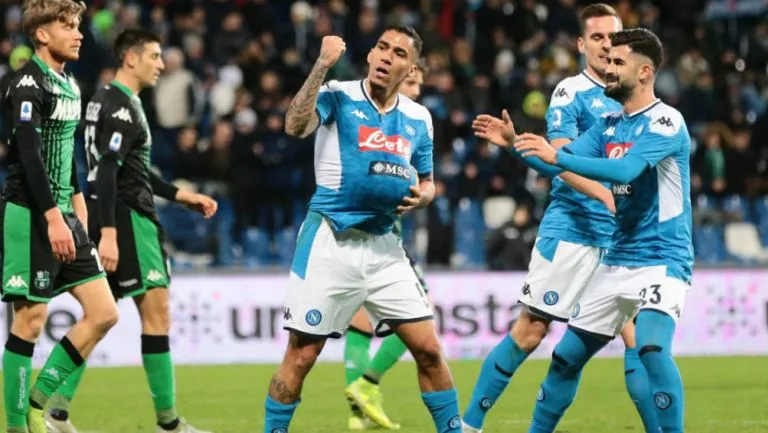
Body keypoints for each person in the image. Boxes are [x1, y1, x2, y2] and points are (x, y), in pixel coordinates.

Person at [462, 5, 658, 433]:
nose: (608, 45)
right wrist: (608, 195)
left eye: (615, 37)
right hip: (573, 229)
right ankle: (470, 425)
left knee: (638, 341)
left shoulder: (635, 101)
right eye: (600, 37)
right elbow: (560, 161)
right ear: (582, 44)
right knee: (531, 331)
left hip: (621, 238)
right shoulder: (571, 94)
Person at [267, 26, 462, 433]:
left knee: (428, 349)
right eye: (382, 48)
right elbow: (293, 126)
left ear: (411, 67)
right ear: (371, 55)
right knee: (302, 355)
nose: (388, 57)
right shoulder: (338, 94)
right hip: (329, 241)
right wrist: (321, 65)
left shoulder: (418, 118)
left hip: (385, 246)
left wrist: (425, 196)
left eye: (399, 53)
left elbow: (427, 180)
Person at [43, 29, 218, 433]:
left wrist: (180, 195)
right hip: (129, 221)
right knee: (156, 315)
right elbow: (106, 169)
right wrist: (109, 233)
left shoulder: (108, 101)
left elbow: (130, 170)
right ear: (131, 58)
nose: (161, 64)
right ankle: (169, 423)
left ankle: (54, 409)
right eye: (155, 56)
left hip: (118, 213)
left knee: (99, 316)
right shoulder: (121, 106)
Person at [1, 1, 120, 432]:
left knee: (104, 312)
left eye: (79, 25)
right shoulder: (25, 84)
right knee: (30, 320)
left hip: (65, 213)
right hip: (29, 215)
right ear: (42, 35)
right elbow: (28, 154)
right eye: (67, 26)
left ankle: (37, 398)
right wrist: (52, 217)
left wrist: (78, 210)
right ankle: (16, 426)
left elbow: (66, 155)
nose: (79, 34)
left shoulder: (69, 84)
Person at [343, 58, 430, 431]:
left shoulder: (408, 125)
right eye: (411, 85)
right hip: (379, 237)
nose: (415, 93)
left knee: (359, 325)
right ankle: (367, 383)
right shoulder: (385, 124)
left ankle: (357, 414)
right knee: (421, 312)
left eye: (419, 88)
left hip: (363, 234)